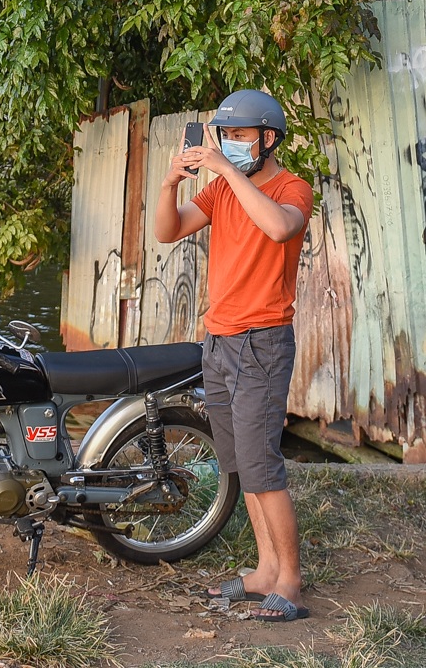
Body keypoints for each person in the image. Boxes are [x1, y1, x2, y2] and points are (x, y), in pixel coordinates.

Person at [153, 87, 314, 623]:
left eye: (242, 136)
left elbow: (278, 227)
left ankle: (288, 580)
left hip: (262, 343)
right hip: (218, 342)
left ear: (269, 139)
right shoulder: (222, 193)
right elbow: (166, 231)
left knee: (263, 465)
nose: (230, 144)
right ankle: (265, 569)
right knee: (240, 464)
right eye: (225, 136)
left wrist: (228, 170)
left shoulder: (293, 188)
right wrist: (172, 181)